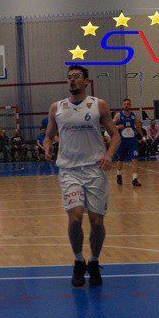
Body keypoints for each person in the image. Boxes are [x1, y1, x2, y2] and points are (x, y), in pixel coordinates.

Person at [44, 65, 120, 287]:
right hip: (69, 170)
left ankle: (94, 261)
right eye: (69, 77)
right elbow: (48, 136)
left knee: (96, 222)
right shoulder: (56, 108)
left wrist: (109, 155)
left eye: (77, 76)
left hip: (95, 169)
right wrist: (47, 146)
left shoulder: (99, 105)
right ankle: (78, 261)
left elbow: (115, 135)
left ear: (86, 81)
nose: (72, 80)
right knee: (75, 217)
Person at [112, 98, 144, 187]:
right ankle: (119, 175)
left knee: (135, 158)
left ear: (130, 105)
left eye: (128, 104)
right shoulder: (118, 115)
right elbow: (111, 125)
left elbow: (138, 126)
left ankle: (135, 179)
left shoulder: (133, 115)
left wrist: (143, 135)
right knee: (120, 159)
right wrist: (118, 127)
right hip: (122, 140)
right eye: (125, 104)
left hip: (132, 140)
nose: (126, 105)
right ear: (123, 105)